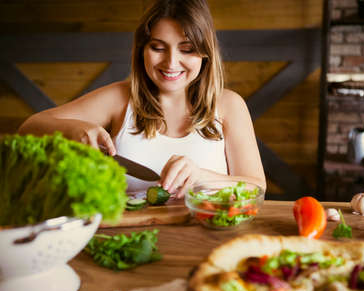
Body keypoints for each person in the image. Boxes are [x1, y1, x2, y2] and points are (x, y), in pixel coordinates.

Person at [18, 0, 266, 199]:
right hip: (130, 236)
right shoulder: (119, 98)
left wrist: (202, 177)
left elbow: (257, 188)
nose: (171, 63)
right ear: (142, 51)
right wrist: (75, 129)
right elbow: (28, 128)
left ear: (205, 53)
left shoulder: (229, 105)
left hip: (207, 240)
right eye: (158, 47)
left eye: (187, 49)